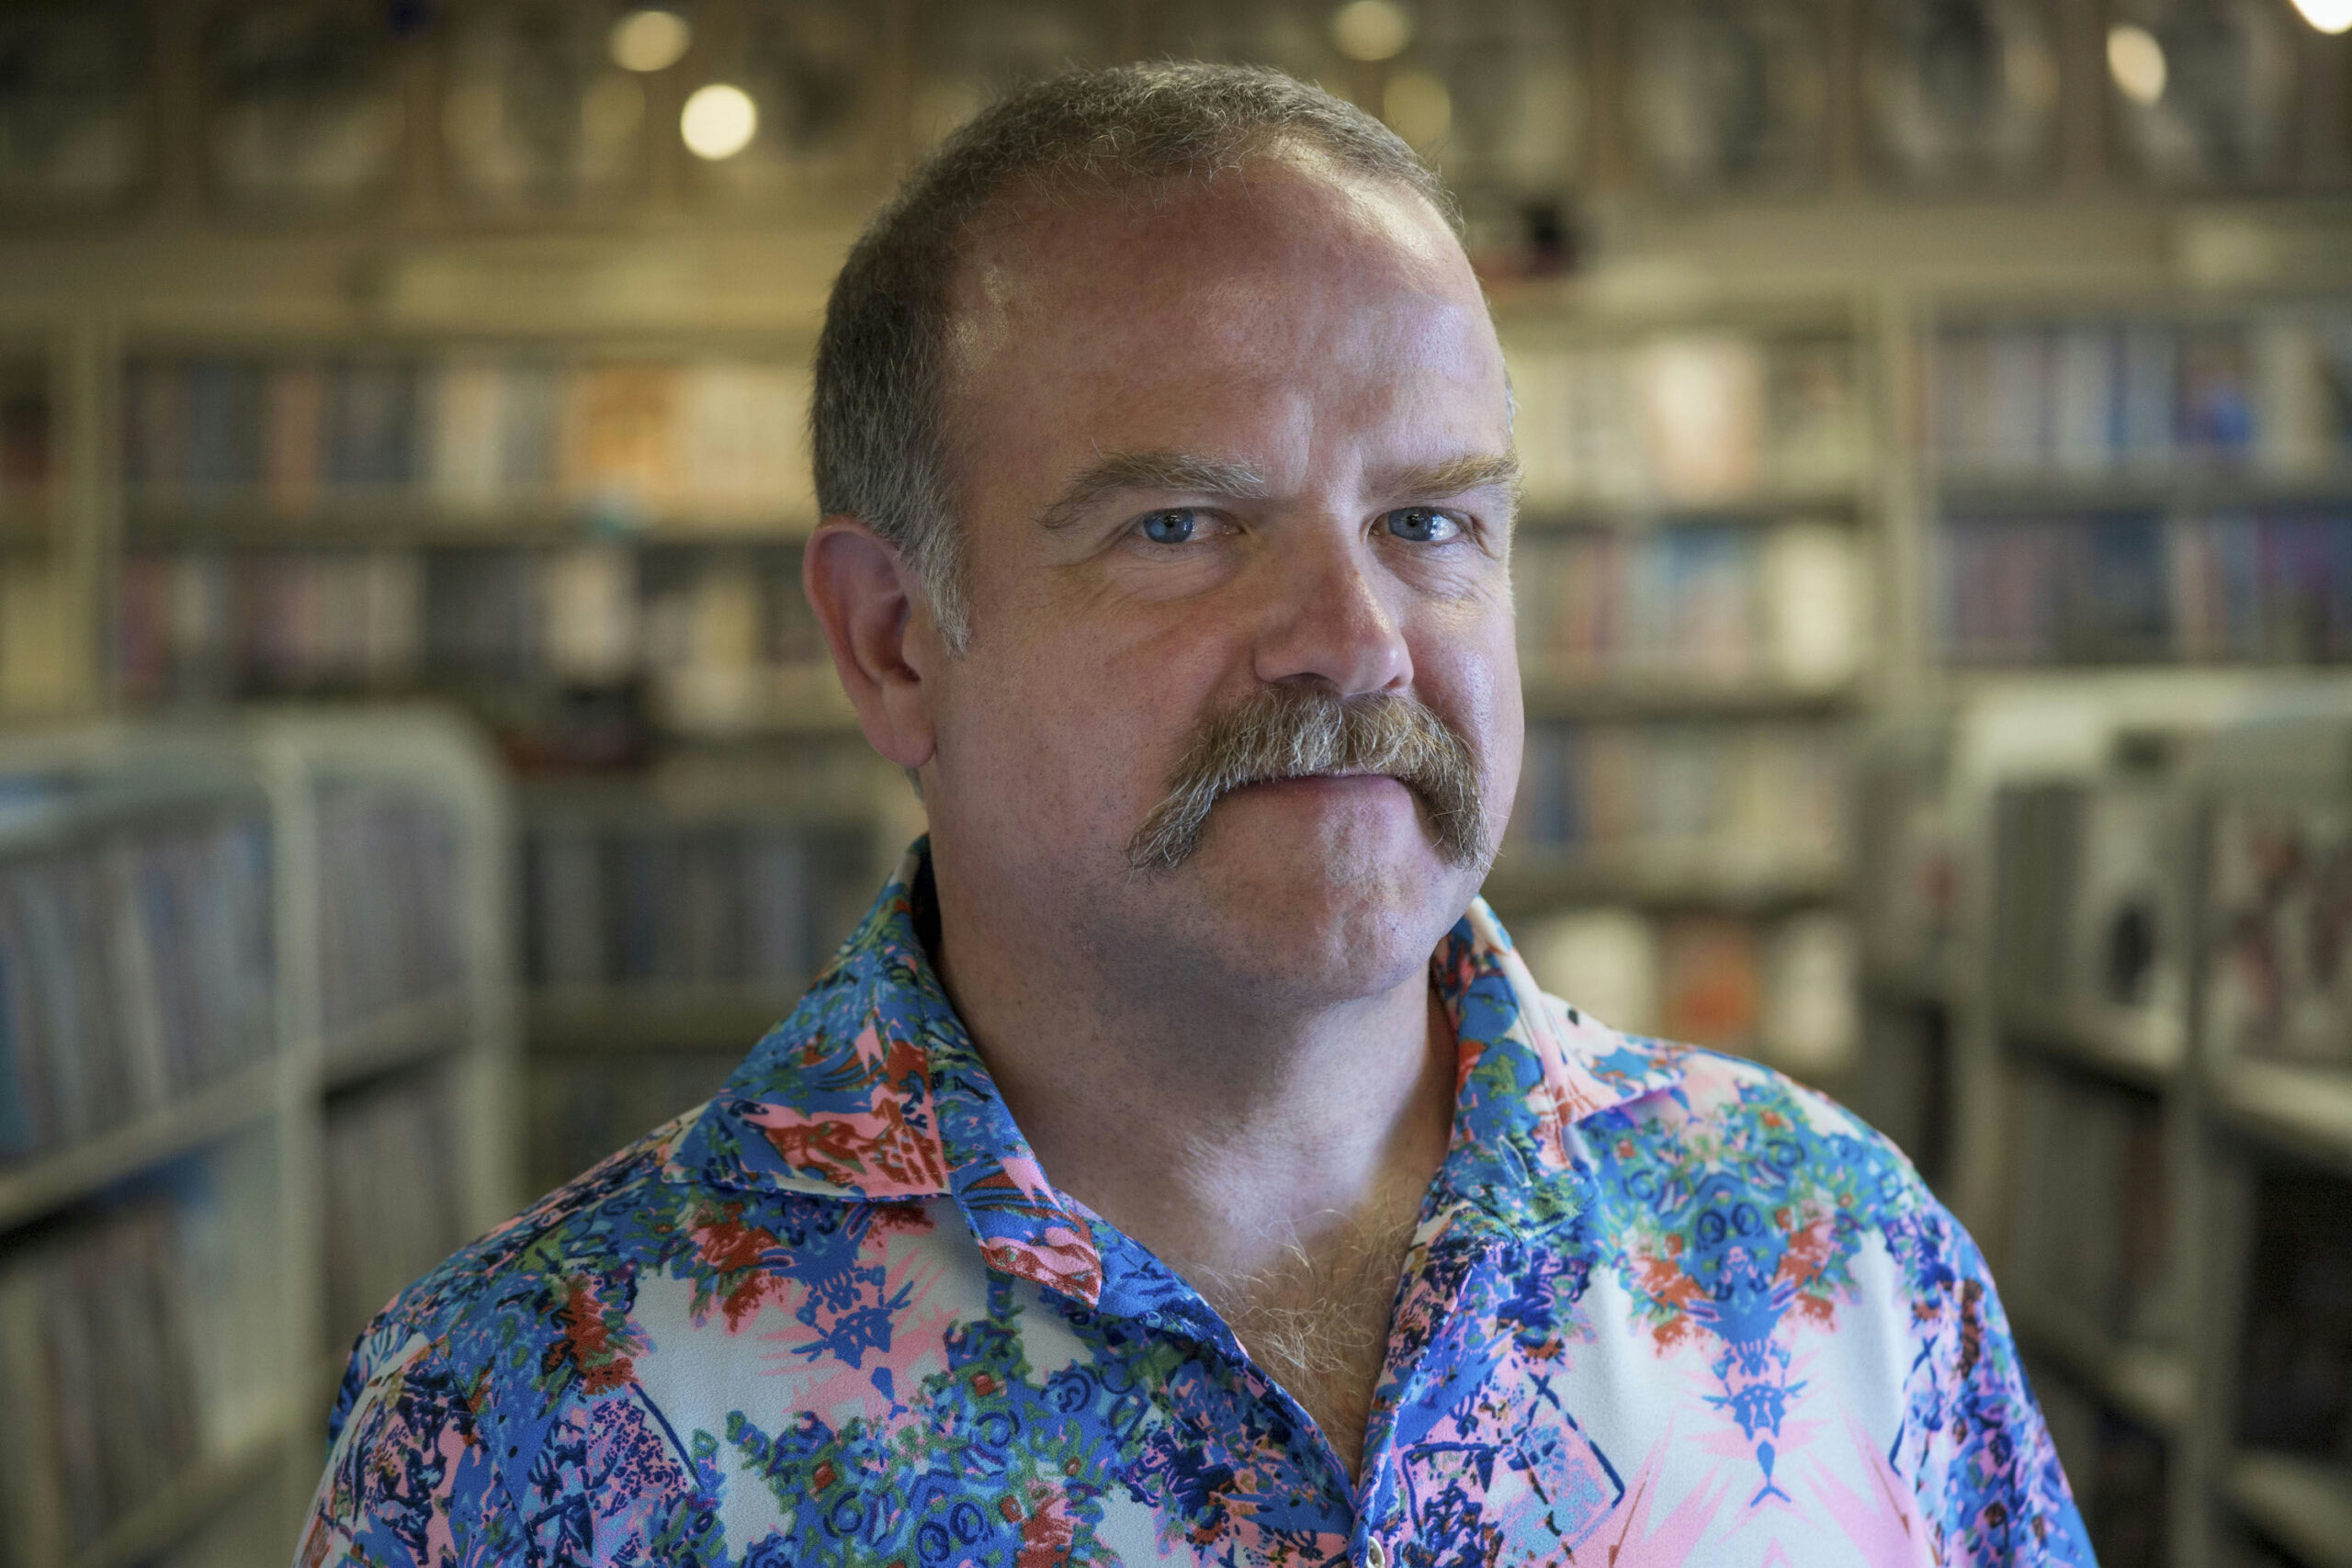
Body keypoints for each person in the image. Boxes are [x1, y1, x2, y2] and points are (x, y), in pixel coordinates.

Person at [297, 63, 2089, 1567]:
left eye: (1431, 520)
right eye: (1180, 526)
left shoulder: (1838, 1260)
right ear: (893, 640)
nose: (1354, 634)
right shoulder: (524, 1424)